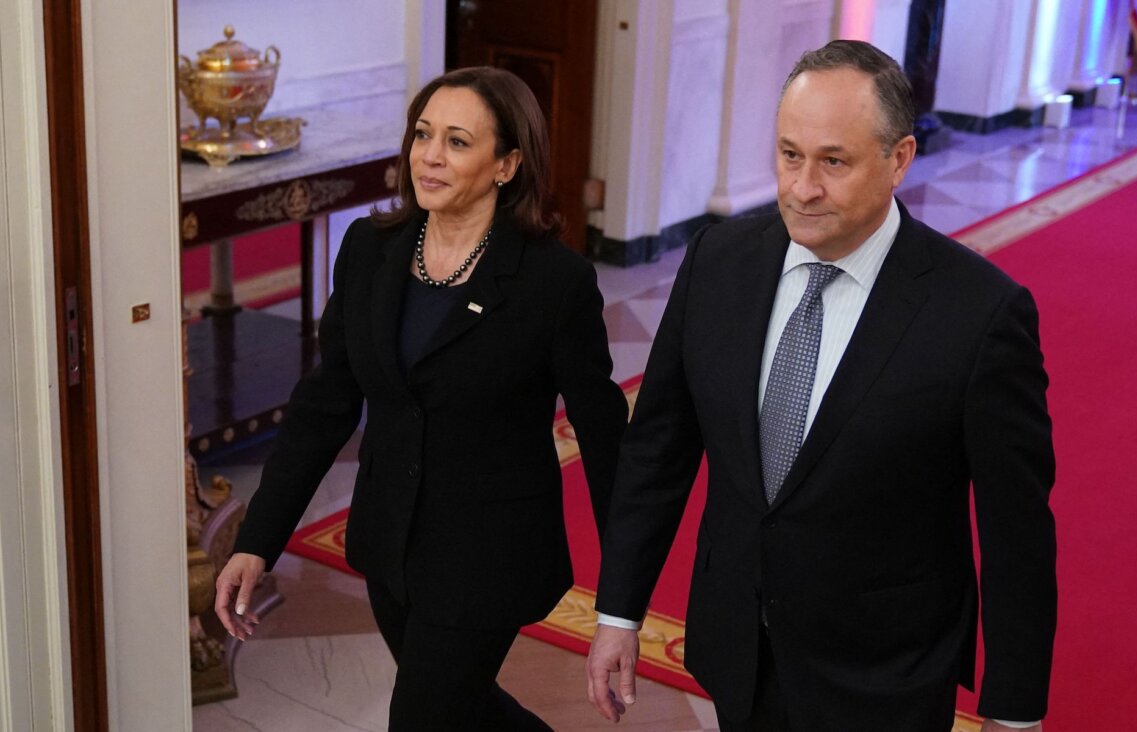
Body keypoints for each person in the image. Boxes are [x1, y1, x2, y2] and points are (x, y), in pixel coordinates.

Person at [585, 40, 1056, 732]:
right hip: (737, 645)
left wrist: (1014, 711)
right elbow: (659, 448)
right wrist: (618, 612)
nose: (802, 188)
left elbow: (1016, 531)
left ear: (899, 159)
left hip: (883, 677)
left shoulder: (980, 315)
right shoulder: (719, 262)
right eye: (789, 155)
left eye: (833, 161)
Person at [214, 66, 628, 731]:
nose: (430, 156)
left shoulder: (555, 283)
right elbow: (325, 406)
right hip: (390, 547)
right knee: (463, 710)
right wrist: (258, 539)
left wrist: (623, 605)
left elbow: (607, 442)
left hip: (488, 559)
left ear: (507, 164)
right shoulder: (370, 250)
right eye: (423, 134)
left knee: (422, 717)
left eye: (458, 141)